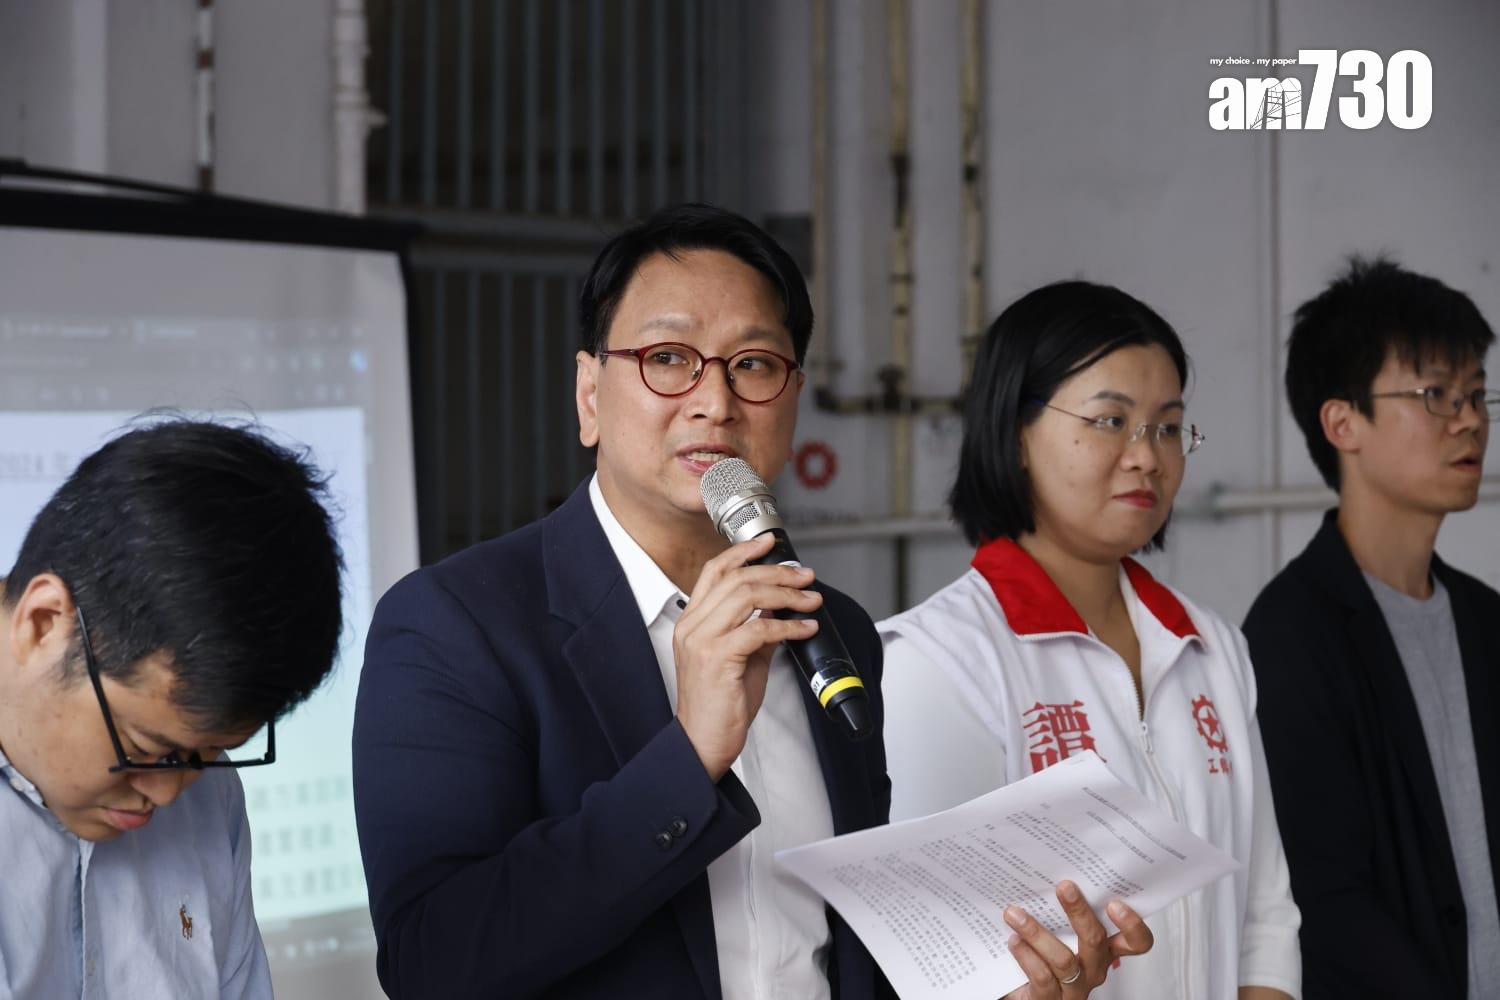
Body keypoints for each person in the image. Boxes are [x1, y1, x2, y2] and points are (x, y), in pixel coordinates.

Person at [352, 205, 1146, 999]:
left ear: (793, 397)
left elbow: (840, 954)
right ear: (590, 394)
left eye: (755, 365)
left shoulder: (832, 627)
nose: (716, 401)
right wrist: (689, 755)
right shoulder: (454, 625)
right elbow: (431, 962)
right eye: (668, 358)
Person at [878, 281, 1302, 1000]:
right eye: (1112, 421)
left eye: (1168, 428)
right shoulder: (936, 662)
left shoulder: (1212, 648)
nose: (1148, 457)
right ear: (1016, 434)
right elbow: (937, 963)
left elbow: (1264, 919)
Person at [0, 418, 345, 998]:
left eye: (209, 755)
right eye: (146, 749)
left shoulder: (206, 792)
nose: (167, 794)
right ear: (44, 623)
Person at [1243, 257, 1500, 999]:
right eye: (1435, 395)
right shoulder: (1291, 633)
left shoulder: (1486, 621)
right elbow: (1324, 898)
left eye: (1476, 394)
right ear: (1342, 422)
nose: (1470, 419)